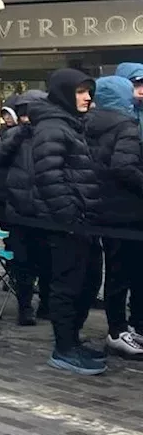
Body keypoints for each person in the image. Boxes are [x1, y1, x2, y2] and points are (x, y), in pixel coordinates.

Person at [4, 68, 102, 374]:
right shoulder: (53, 128)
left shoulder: (71, 124)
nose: (87, 98)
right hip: (67, 224)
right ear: (64, 94)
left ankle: (73, 340)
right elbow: (49, 176)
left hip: (82, 222)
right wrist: (70, 216)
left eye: (89, 91)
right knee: (68, 284)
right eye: (80, 92)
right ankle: (65, 347)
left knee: (87, 281)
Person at [86, 76, 143, 359]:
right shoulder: (125, 125)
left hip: (103, 208)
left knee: (117, 273)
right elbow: (124, 166)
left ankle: (118, 328)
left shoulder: (88, 124)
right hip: (128, 212)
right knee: (127, 273)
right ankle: (119, 331)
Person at [0, 91, 49, 326]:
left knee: (47, 260)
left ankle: (45, 304)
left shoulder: (49, 134)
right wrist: (5, 200)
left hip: (45, 211)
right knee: (22, 262)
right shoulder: (10, 136)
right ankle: (25, 307)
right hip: (18, 210)